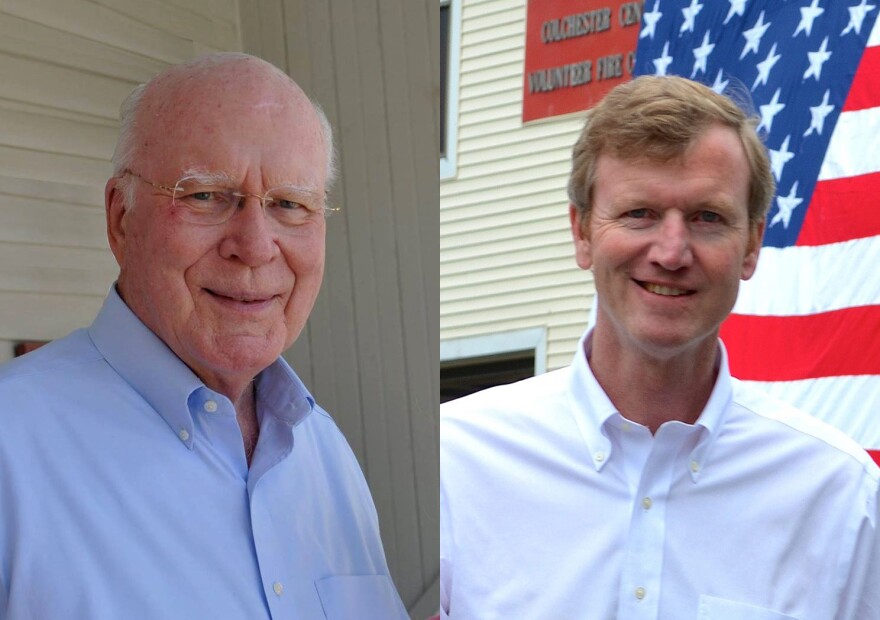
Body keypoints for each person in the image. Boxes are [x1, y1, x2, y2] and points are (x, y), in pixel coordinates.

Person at [440, 75, 880, 619]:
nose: (671, 252)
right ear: (581, 232)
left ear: (752, 244)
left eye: (707, 218)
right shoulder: (453, 463)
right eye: (638, 213)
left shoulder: (839, 498)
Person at [0, 53, 408, 620]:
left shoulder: (325, 453)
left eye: (290, 204)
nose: (256, 245)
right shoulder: (12, 448)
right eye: (206, 196)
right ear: (122, 219)